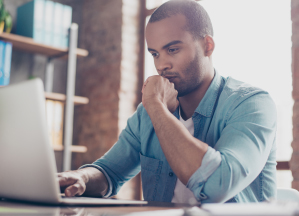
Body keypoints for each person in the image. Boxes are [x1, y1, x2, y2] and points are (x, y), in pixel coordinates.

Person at [58, 0, 277, 204]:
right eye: (154, 54)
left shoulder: (251, 104)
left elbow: (216, 185)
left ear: (207, 46)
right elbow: (109, 172)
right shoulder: (148, 114)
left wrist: (155, 105)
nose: (161, 65)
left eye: (172, 50)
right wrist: (81, 177)